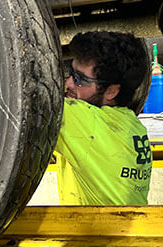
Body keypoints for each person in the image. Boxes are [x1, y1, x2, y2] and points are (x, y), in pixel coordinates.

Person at [54, 31, 153, 205]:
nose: (68, 83)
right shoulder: (131, 124)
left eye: (80, 79)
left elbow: (27, 101)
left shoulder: (86, 122)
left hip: (97, 231)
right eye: (71, 72)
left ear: (111, 91)